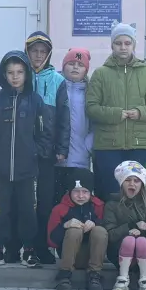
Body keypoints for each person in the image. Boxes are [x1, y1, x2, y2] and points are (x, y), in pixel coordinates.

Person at [0, 51, 52, 268]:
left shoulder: (35, 101)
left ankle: (29, 250)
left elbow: (45, 132)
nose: (15, 76)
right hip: (0, 169)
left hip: (27, 170)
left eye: (19, 72)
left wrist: (36, 152)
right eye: (10, 72)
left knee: (28, 211)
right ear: (4, 74)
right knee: (0, 211)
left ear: (26, 74)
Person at [86, 21, 146, 201]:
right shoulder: (101, 73)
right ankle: (110, 221)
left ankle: (134, 221)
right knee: (110, 194)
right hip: (107, 146)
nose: (123, 47)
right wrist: (115, 114)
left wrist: (140, 112)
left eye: (127, 43)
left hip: (138, 145)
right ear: (112, 45)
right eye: (118, 43)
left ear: (133, 45)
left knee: (134, 194)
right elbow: (91, 108)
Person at [25, 32, 70, 264]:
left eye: (43, 51)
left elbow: (64, 118)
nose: (38, 55)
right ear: (27, 52)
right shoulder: (20, 75)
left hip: (47, 152)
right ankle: (23, 246)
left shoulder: (57, 81)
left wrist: (62, 148)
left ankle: (42, 247)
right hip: (23, 151)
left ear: (49, 54)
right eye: (34, 51)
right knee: (24, 202)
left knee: (44, 202)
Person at [103, 161, 146, 290]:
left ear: (141, 184)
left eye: (136, 181)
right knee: (129, 240)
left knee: (141, 241)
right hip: (119, 252)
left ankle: (145, 279)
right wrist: (129, 228)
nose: (132, 184)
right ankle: (122, 278)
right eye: (128, 180)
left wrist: (143, 232)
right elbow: (109, 234)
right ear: (121, 183)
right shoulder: (112, 205)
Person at [47, 169, 108, 290]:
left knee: (99, 230)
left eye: (85, 192)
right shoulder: (60, 209)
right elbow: (51, 240)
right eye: (76, 191)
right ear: (70, 191)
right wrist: (64, 226)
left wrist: (96, 223)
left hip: (92, 255)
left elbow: (109, 227)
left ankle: (94, 275)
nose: (80, 196)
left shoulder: (98, 206)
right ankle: (64, 276)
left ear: (90, 192)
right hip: (69, 255)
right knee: (74, 230)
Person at [56, 48, 94, 201]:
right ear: (64, 65)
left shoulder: (90, 92)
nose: (75, 67)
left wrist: (88, 145)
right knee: (57, 200)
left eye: (80, 64)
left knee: (77, 199)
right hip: (57, 158)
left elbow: (95, 123)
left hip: (80, 158)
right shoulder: (56, 86)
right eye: (71, 63)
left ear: (86, 70)